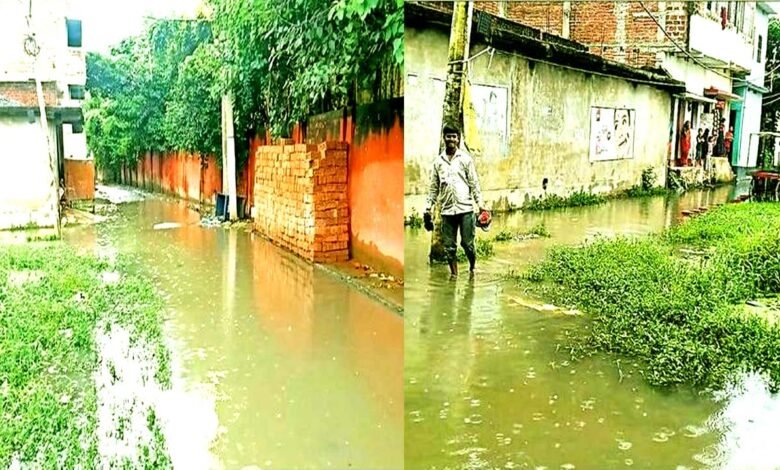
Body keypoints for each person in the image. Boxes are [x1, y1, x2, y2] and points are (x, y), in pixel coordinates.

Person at [424, 122, 487, 279]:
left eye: (454, 136)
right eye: (448, 136)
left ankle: (472, 267)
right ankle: (454, 276)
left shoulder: (465, 160)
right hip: (447, 211)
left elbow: (474, 184)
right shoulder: (438, 162)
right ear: (443, 138)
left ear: (458, 139)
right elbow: (433, 188)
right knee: (449, 248)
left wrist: (481, 206)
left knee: (467, 244)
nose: (451, 139)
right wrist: (427, 208)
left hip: (466, 210)